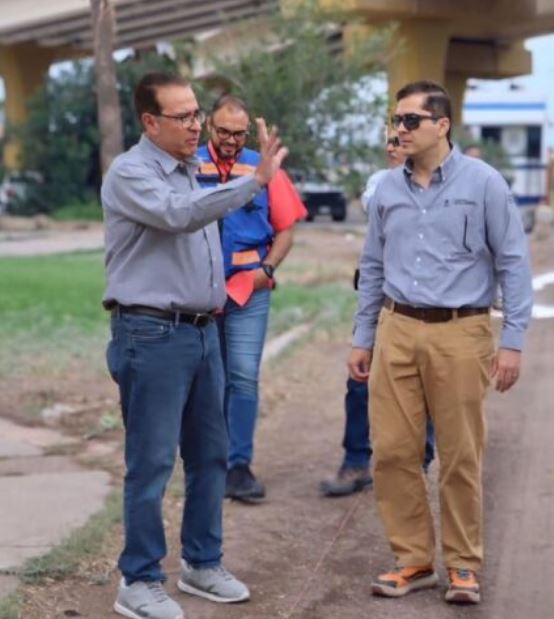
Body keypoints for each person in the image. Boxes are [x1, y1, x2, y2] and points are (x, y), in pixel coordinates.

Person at [102, 72, 287, 619]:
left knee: (210, 455)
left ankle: (203, 563)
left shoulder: (190, 172)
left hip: (203, 331)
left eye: (196, 113)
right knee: (152, 462)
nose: (195, 124)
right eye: (182, 116)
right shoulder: (132, 173)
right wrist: (255, 182)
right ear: (149, 122)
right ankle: (138, 580)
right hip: (152, 335)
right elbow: (180, 218)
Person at [348, 80, 533, 605]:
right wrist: (363, 337)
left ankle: (464, 566)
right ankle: (413, 560)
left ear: (441, 125)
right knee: (391, 451)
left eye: (410, 120)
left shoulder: (485, 184)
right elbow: (373, 265)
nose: (399, 129)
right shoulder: (386, 188)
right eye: (396, 120)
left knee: (460, 454)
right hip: (397, 327)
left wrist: (513, 339)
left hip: (462, 330)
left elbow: (514, 263)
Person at [194, 94, 307, 503]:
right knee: (207, 379)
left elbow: (287, 228)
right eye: (224, 132)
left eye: (239, 134)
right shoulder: (189, 163)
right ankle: (208, 464)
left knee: (242, 375)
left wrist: (267, 270)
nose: (231, 140)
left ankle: (238, 467)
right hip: (198, 293)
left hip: (248, 290)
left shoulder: (264, 167)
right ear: (209, 126)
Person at [320, 130, 435, 497]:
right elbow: (376, 209)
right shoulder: (379, 184)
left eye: (400, 141)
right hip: (381, 298)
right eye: (388, 141)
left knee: (425, 384)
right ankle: (356, 461)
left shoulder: (447, 185)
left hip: (425, 303)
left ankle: (420, 458)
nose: (391, 148)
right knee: (360, 382)